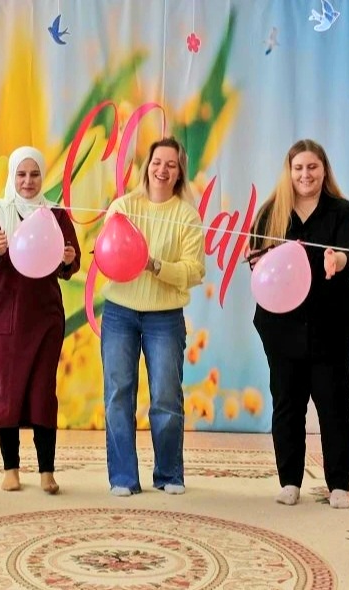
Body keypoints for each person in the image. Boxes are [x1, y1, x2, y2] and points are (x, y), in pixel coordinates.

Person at [246, 139, 349, 509]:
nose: (305, 174)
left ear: (324, 170)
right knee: (287, 404)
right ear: (289, 171)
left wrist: (337, 261)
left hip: (331, 323)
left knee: (334, 404)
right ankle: (290, 481)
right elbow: (257, 261)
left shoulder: (342, 211)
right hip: (281, 326)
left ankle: (339, 484)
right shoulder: (271, 212)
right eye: (298, 168)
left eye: (312, 167)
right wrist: (256, 263)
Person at [100, 136, 205, 497]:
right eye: (157, 162)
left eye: (171, 165)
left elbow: (194, 271)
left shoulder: (187, 216)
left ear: (179, 173)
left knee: (165, 396)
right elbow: (108, 256)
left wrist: (154, 265)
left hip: (165, 317)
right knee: (118, 394)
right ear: (147, 167)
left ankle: (169, 473)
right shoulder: (123, 207)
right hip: (120, 312)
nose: (162, 170)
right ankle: (123, 477)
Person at [0, 147, 80, 494]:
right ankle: (11, 469)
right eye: (21, 174)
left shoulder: (56, 214)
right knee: (6, 392)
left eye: (34, 174)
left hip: (43, 316)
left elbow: (71, 264)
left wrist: (67, 258)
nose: (28, 181)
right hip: (2, 315)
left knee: (41, 393)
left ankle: (47, 471)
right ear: (12, 176)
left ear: (43, 177)